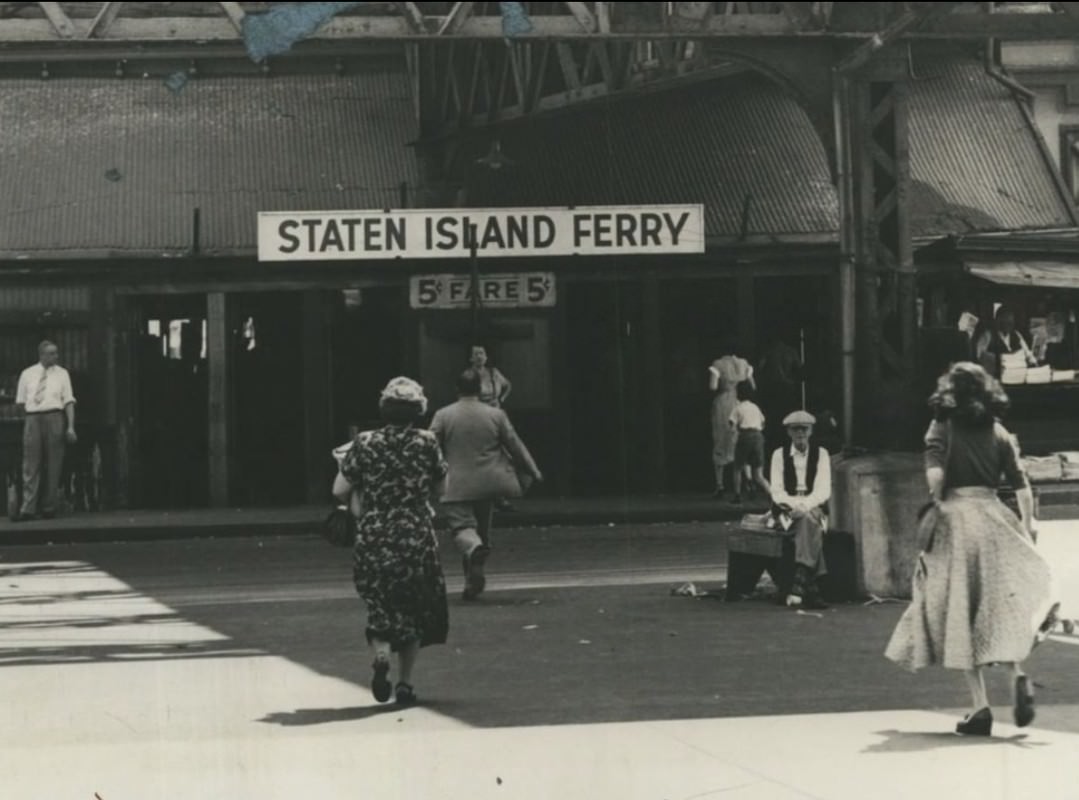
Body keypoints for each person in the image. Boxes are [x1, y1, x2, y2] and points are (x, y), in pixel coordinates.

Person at [884, 362, 1058, 737]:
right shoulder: (999, 433)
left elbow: (935, 477)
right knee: (998, 607)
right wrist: (1027, 527)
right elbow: (1021, 485)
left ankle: (979, 707)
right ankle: (1017, 674)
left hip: (957, 522)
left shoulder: (941, 428)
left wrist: (936, 500)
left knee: (959, 612)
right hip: (995, 518)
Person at [334, 377, 449, 707]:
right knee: (412, 608)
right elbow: (442, 490)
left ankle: (381, 652)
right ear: (418, 410)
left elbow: (340, 490)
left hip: (375, 533)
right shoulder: (427, 442)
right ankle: (405, 684)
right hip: (415, 533)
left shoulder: (365, 442)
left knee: (380, 604)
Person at [431, 368, 542, 601]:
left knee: (463, 530)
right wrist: (533, 469)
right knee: (481, 530)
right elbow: (515, 444)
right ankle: (471, 582)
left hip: (456, 483)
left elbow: (430, 446)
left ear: (457, 389)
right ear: (480, 390)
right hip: (490, 481)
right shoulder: (495, 415)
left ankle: (473, 551)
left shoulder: (443, 415)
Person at [769, 410, 831, 609]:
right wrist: (795, 507)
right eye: (795, 430)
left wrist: (804, 507)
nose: (800, 434)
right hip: (787, 511)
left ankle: (800, 580)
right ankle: (809, 586)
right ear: (788, 432)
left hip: (813, 508)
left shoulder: (822, 454)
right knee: (809, 525)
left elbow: (823, 491)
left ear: (811, 431)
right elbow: (777, 492)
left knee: (808, 521)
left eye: (804, 429)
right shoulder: (778, 455)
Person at [14, 340, 77, 521]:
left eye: (56, 353)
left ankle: (49, 507)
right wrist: (28, 422)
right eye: (52, 353)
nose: (56, 356)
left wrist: (70, 426)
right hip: (33, 417)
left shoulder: (62, 374)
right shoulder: (27, 374)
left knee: (54, 462)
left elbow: (69, 402)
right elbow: (21, 402)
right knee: (30, 463)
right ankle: (28, 508)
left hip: (55, 416)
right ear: (42, 355)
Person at [468, 344, 515, 511]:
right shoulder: (468, 375)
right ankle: (482, 498)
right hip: (479, 416)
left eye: (482, 353)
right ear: (471, 358)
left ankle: (499, 497)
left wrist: (501, 399)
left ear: (486, 356)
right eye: (476, 354)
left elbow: (507, 385)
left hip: (496, 415)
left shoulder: (494, 373)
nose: (479, 356)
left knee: (502, 455)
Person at [709, 346, 755, 498]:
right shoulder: (744, 363)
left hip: (722, 403)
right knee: (740, 440)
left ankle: (720, 485)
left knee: (721, 440)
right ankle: (748, 480)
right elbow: (752, 386)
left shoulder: (718, 364)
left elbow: (713, 386)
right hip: (738, 402)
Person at [728, 381, 770, 505]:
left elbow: (732, 423)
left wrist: (734, 435)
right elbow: (763, 422)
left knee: (738, 467)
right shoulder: (755, 407)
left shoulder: (738, 408)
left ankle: (737, 495)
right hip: (758, 436)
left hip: (745, 436)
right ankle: (771, 494)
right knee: (758, 473)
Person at [975, 306, 1037, 378]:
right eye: (1005, 321)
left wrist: (1034, 363)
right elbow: (979, 356)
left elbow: (1028, 354)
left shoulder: (1016, 334)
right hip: (996, 376)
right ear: (998, 320)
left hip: (1016, 375)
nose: (1008, 325)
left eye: (1010, 322)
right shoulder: (988, 335)